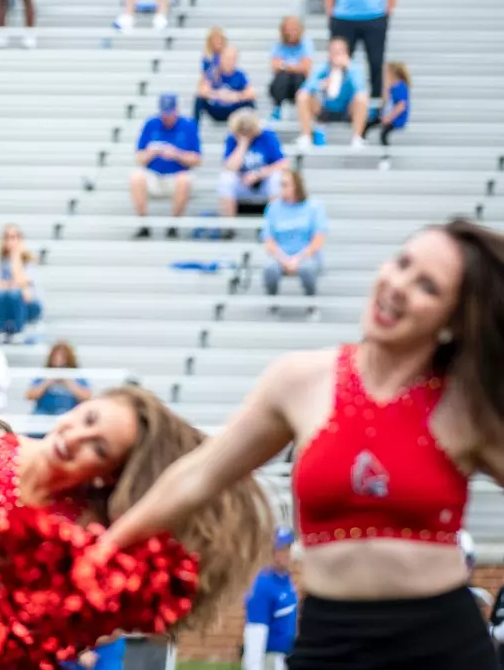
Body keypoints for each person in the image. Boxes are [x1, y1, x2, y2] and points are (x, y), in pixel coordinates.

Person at [102, 221, 504, 669]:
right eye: (402, 262)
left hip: (442, 646)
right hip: (328, 639)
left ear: (452, 318)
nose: (399, 286)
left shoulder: (470, 405)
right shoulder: (298, 380)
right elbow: (199, 475)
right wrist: (106, 547)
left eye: (427, 286)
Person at [0, 382, 268, 670]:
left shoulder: (88, 526)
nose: (76, 435)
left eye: (98, 448)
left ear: (106, 475)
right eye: (88, 417)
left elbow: (82, 631)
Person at [130, 93, 202, 237]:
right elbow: (139, 157)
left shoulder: (188, 125)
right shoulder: (151, 124)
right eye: (164, 113)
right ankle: (143, 225)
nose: (167, 117)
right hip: (154, 174)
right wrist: (152, 152)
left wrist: (176, 154)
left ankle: (173, 225)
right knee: (136, 177)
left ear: (176, 109)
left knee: (184, 179)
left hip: (176, 175)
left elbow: (197, 159)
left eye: (169, 113)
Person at [261, 170, 326, 297]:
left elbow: (318, 241)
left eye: (285, 185)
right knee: (270, 269)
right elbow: (269, 241)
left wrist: (298, 259)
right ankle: (272, 302)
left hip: (307, 256)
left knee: (307, 268)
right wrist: (284, 259)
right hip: (281, 256)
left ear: (296, 186)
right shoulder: (273, 208)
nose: (282, 189)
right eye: (281, 185)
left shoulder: (314, 207)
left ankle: (311, 302)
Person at [242, 527, 299, 670]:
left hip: (287, 656)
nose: (286, 554)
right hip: (271, 659)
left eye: (288, 549)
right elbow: (255, 632)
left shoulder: (286, 581)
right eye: (281, 550)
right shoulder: (262, 586)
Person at [218, 109, 285, 223]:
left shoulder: (267, 136)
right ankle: (229, 226)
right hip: (242, 182)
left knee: (277, 179)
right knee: (225, 179)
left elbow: (283, 164)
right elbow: (230, 167)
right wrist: (243, 144)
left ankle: (273, 224)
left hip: (264, 182)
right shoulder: (232, 138)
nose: (246, 132)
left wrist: (259, 174)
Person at [0, 222, 40, 341]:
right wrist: (12, 285)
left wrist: (16, 256)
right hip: (8, 302)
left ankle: (18, 330)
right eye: (7, 237)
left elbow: (22, 283)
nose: (10, 241)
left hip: (29, 306)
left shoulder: (29, 260)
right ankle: (2, 329)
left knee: (15, 293)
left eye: (14, 237)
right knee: (2, 294)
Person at [194, 44, 255, 126]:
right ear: (221, 58)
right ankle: (194, 128)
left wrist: (237, 96)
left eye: (233, 59)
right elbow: (202, 91)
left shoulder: (240, 74)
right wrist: (218, 95)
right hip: (216, 109)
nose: (230, 61)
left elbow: (252, 93)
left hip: (234, 110)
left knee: (250, 103)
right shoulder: (213, 72)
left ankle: (253, 131)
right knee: (199, 99)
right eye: (227, 58)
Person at [28, 341, 92, 415]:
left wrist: (68, 381)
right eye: (56, 356)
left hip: (69, 415)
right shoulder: (44, 373)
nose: (59, 359)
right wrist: (47, 382)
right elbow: (30, 395)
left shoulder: (77, 374)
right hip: (44, 414)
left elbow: (87, 397)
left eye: (62, 357)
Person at [267, 15, 313, 118]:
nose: (292, 32)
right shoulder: (278, 44)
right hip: (283, 84)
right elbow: (274, 67)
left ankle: (304, 111)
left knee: (298, 77)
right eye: (289, 29)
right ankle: (277, 108)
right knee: (283, 77)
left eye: (294, 29)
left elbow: (306, 67)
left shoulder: (306, 43)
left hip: (299, 82)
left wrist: (285, 65)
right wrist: (295, 66)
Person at [367, 62, 412, 147]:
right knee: (369, 123)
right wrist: (386, 88)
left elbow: (401, 106)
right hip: (387, 114)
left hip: (396, 119)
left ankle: (387, 152)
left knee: (383, 134)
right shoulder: (391, 86)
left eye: (386, 73)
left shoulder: (401, 86)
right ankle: (361, 139)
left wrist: (389, 118)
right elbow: (385, 101)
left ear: (393, 74)